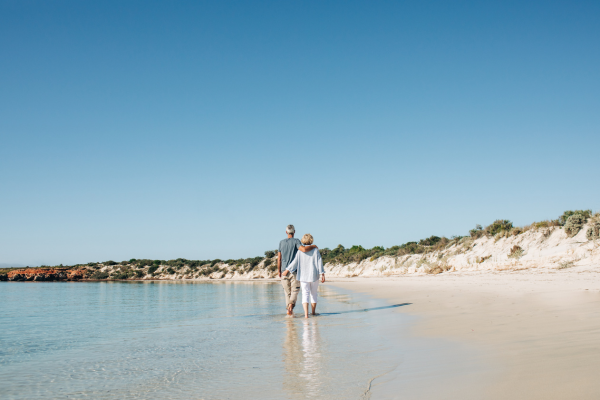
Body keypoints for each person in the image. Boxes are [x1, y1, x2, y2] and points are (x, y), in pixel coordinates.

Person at [282, 233, 325, 318]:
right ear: (311, 240)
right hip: (314, 275)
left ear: (303, 240)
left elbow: (295, 262)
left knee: (305, 294)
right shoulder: (315, 250)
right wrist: (322, 274)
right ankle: (313, 313)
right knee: (313, 293)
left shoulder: (300, 251)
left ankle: (306, 315)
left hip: (303, 276)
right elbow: (319, 262)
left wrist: (287, 270)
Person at [278, 225, 317, 316]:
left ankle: (289, 310)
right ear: (294, 232)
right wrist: (313, 246)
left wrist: (279, 271)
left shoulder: (281, 242)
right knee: (294, 291)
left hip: (284, 271)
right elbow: (303, 249)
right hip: (294, 271)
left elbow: (279, 258)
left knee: (287, 292)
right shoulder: (296, 241)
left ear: (286, 232)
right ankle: (291, 306)